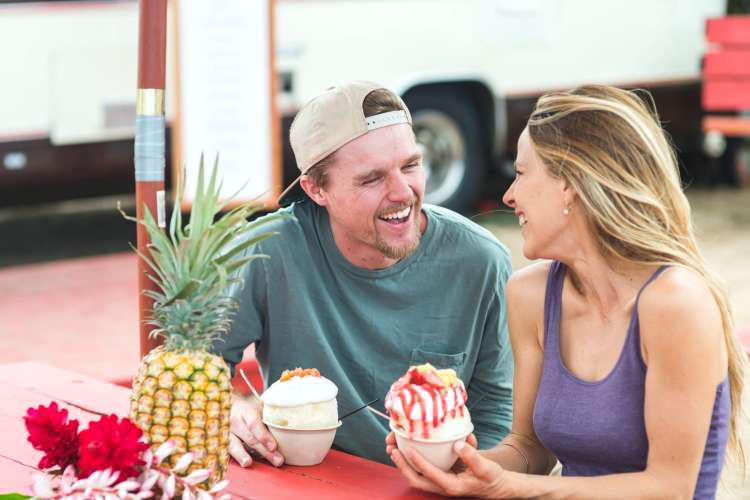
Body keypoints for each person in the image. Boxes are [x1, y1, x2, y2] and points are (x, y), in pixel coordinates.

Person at [387, 84, 747, 499]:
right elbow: (528, 450)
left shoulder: (676, 303)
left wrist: (509, 488)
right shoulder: (531, 295)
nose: (508, 196)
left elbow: (669, 488)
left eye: (521, 174)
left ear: (571, 184)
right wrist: (455, 464)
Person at [215, 81, 514, 467]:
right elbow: (197, 368)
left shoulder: (482, 260)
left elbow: (496, 415)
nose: (402, 192)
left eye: (411, 165)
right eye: (372, 178)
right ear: (316, 189)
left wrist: (466, 481)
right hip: (307, 485)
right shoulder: (266, 249)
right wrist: (229, 407)